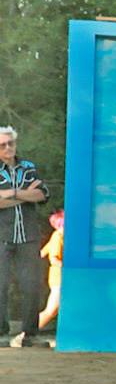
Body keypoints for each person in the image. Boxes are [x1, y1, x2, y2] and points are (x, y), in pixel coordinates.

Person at [0, 126, 50, 347]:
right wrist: (26, 195)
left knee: (32, 285)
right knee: (1, 285)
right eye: (3, 145)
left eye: (11, 143)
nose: (8, 148)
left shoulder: (28, 167)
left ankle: (30, 334)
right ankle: (2, 333)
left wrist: (11, 193)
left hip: (28, 235)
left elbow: (43, 194)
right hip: (2, 235)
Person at [38, 209, 64, 330]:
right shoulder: (58, 236)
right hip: (58, 278)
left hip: (66, 278)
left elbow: (42, 252)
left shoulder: (63, 237)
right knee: (52, 309)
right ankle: (28, 332)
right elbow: (54, 259)